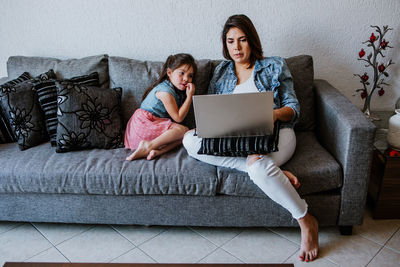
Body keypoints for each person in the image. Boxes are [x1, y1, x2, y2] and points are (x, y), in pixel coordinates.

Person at [182, 15, 318, 262]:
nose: (237, 47)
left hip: (275, 135)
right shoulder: (221, 71)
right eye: (231, 41)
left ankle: (306, 220)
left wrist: (272, 114)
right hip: (233, 141)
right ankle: (269, 169)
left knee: (259, 165)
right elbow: (213, 109)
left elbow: (293, 108)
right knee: (189, 140)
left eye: (242, 40)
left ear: (252, 40)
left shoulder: (275, 65)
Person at [125, 53, 197, 161]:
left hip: (149, 126)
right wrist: (190, 96)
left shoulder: (175, 90)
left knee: (187, 134)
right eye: (181, 73)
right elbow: (178, 118)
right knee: (184, 130)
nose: (186, 79)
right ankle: (148, 146)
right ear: (169, 72)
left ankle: (157, 151)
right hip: (143, 126)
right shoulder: (165, 92)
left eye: (190, 75)